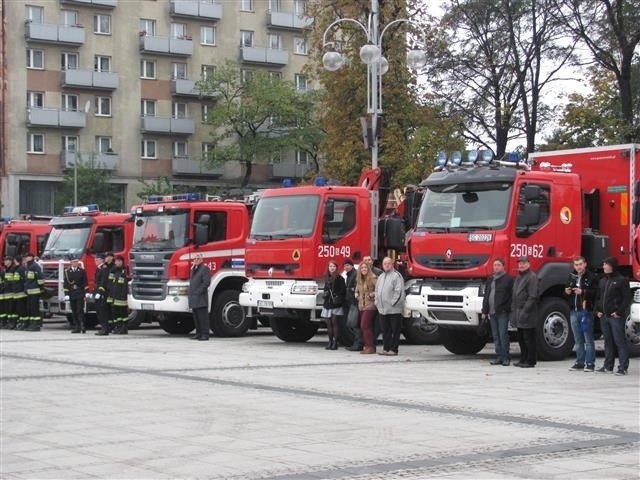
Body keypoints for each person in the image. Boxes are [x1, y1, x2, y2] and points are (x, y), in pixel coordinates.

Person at [594, 256, 631, 375]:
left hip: (615, 317)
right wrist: (597, 311)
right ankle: (608, 366)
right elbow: (598, 298)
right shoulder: (603, 281)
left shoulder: (621, 280)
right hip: (604, 316)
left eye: (606, 264)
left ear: (612, 266)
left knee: (619, 341)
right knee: (607, 341)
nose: (604, 266)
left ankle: (623, 367)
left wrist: (619, 312)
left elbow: (627, 299)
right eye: (604, 264)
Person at [564, 256, 598, 372]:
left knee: (588, 339)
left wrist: (583, 291)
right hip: (574, 311)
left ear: (585, 264)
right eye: (576, 265)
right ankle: (579, 362)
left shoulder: (592, 277)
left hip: (586, 311)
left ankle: (590, 363)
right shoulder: (571, 276)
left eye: (580, 264)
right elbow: (567, 291)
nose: (578, 267)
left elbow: (596, 293)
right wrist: (567, 291)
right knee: (578, 339)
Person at [481, 258, 514, 366]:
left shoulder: (508, 279)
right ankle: (499, 356)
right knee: (495, 335)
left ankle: (506, 357)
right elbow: (486, 295)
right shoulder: (490, 279)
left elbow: (511, 296)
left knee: (503, 334)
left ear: (503, 266)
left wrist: (506, 307)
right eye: (495, 265)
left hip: (502, 312)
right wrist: (484, 311)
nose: (496, 267)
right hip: (491, 312)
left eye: (498, 265)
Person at [511, 256, 538, 368]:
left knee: (529, 338)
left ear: (528, 264)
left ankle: (531, 361)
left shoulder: (532, 277)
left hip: (528, 313)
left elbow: (532, 296)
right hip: (518, 311)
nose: (521, 265)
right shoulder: (519, 277)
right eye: (520, 263)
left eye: (524, 263)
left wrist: (525, 311)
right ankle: (523, 359)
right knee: (521, 338)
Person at [374, 256, 405, 356]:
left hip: (394, 309)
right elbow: (377, 290)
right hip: (382, 309)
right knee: (385, 330)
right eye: (384, 263)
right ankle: (386, 348)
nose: (386, 265)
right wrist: (377, 302)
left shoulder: (397, 276)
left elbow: (399, 291)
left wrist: (393, 303)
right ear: (382, 265)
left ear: (392, 264)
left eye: (388, 263)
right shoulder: (381, 276)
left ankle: (394, 349)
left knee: (395, 330)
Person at [321, 259, 346, 350]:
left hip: (336, 303)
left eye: (334, 266)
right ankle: (330, 341)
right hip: (327, 303)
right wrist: (325, 293)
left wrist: (336, 296)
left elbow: (343, 290)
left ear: (336, 268)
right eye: (330, 266)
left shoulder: (340, 278)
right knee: (328, 323)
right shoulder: (327, 277)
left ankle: (335, 342)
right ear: (328, 268)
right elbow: (325, 289)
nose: (332, 268)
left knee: (334, 322)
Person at [355, 261, 378, 354]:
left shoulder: (373, 278)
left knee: (364, 325)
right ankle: (368, 346)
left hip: (370, 305)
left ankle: (370, 346)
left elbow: (379, 290)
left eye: (365, 267)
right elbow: (357, 289)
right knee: (365, 326)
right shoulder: (359, 279)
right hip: (362, 305)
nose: (364, 269)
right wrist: (356, 294)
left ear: (368, 269)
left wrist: (372, 295)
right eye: (362, 268)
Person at [189, 253, 211, 341]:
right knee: (196, 317)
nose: (196, 260)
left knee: (203, 317)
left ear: (202, 259)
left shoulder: (204, 268)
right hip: (194, 297)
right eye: (195, 258)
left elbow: (206, 282)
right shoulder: (194, 269)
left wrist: (198, 292)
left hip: (201, 298)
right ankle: (198, 333)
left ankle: (205, 334)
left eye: (198, 258)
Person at [63, 257, 89, 333]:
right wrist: (66, 294)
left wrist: (87, 292)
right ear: (71, 262)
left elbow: (85, 282)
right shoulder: (67, 271)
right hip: (71, 293)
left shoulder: (81, 271)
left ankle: (82, 325)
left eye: (77, 262)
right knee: (74, 310)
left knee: (79, 310)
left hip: (80, 292)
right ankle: (76, 327)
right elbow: (66, 284)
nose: (76, 263)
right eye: (74, 262)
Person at [342, 258, 362, 351]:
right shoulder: (349, 274)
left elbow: (356, 288)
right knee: (352, 324)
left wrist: (349, 290)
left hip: (355, 303)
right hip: (351, 302)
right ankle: (356, 343)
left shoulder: (355, 274)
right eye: (345, 265)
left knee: (354, 324)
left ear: (352, 266)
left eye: (348, 265)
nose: (346, 267)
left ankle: (358, 344)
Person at [107, 255, 129, 334]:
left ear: (121, 262)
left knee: (122, 312)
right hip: (114, 295)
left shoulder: (124, 271)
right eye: (115, 261)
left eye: (117, 261)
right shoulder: (115, 270)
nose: (116, 262)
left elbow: (125, 285)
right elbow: (110, 283)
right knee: (116, 312)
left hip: (121, 296)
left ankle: (124, 328)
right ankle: (118, 327)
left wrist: (123, 296)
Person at [94, 252, 114, 336]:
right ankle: (104, 328)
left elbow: (103, 281)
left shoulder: (104, 268)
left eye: (97, 260)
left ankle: (105, 329)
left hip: (103, 293)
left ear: (101, 260)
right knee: (99, 311)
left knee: (103, 311)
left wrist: (100, 292)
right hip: (99, 291)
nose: (95, 261)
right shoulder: (99, 268)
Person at [23, 252, 44, 331]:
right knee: (30, 308)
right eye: (26, 257)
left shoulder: (35, 266)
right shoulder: (28, 266)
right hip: (29, 291)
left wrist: (40, 288)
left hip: (35, 291)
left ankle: (36, 325)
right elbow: (27, 280)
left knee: (34, 308)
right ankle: (31, 324)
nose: (26, 258)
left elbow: (41, 278)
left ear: (32, 257)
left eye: (27, 257)